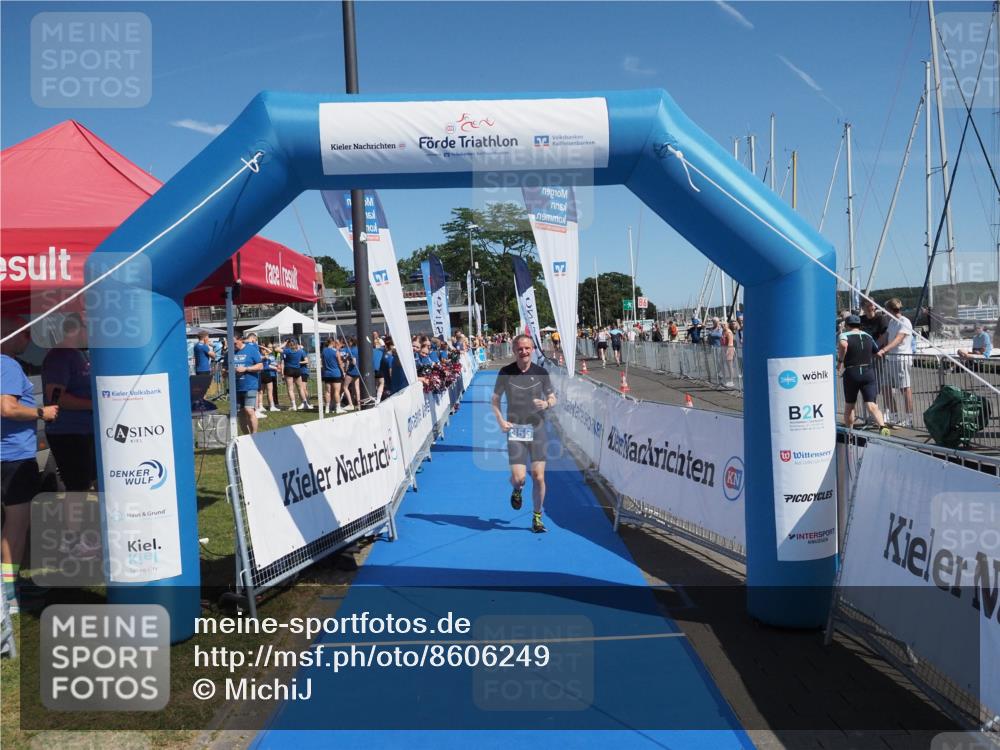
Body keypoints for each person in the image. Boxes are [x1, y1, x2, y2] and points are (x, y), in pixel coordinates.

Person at [1, 317, 59, 612]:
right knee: (16, 527)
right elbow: (7, 408)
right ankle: (9, 595)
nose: (28, 340)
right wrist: (42, 411)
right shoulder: (7, 365)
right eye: (24, 333)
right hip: (12, 458)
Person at [42, 313, 99, 557]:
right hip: (67, 431)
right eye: (89, 327)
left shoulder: (78, 354)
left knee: (87, 484)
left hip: (85, 430)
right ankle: (71, 542)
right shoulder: (59, 356)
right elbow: (55, 398)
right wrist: (94, 404)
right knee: (76, 487)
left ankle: (87, 536)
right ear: (77, 329)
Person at [491, 335, 557, 534]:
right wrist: (501, 421)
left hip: (537, 429)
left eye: (528, 348)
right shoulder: (506, 372)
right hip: (516, 430)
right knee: (520, 478)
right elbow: (494, 401)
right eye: (520, 349)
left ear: (532, 350)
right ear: (514, 350)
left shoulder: (541, 372)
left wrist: (546, 403)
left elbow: (553, 397)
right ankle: (517, 489)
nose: (524, 352)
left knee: (538, 476)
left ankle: (537, 517)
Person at [838, 315, 891, 436]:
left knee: (850, 405)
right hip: (868, 372)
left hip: (852, 372)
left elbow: (843, 345)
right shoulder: (868, 336)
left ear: (847, 325)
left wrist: (840, 362)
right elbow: (877, 352)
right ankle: (882, 427)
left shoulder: (844, 335)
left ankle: (850, 432)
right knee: (871, 404)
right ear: (859, 325)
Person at [877, 298, 914, 427]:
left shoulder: (904, 322)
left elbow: (898, 339)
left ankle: (909, 419)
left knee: (905, 389)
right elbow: (885, 338)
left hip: (901, 359)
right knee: (885, 387)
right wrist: (873, 347)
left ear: (889, 309)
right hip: (890, 359)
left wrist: (884, 350)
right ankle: (893, 415)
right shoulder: (892, 322)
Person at [232, 335, 263, 434]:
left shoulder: (251, 350)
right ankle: (246, 437)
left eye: (235, 343)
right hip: (236, 387)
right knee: (240, 413)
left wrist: (246, 368)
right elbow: (224, 368)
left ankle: (255, 435)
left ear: (240, 340)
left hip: (250, 385)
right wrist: (226, 371)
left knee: (249, 410)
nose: (233, 346)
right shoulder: (229, 353)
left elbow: (260, 366)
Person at [282, 338, 310, 410]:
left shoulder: (287, 351)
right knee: (300, 388)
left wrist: (285, 343)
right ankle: (305, 403)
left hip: (289, 370)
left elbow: (276, 349)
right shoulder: (300, 351)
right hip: (297, 370)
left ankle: (293, 405)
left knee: (290, 389)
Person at [321, 338, 346, 414]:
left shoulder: (323, 351)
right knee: (336, 391)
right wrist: (343, 372)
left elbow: (323, 363)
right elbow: (340, 363)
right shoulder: (336, 352)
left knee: (328, 391)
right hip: (336, 373)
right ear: (333, 343)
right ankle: (338, 408)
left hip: (327, 374)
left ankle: (327, 408)